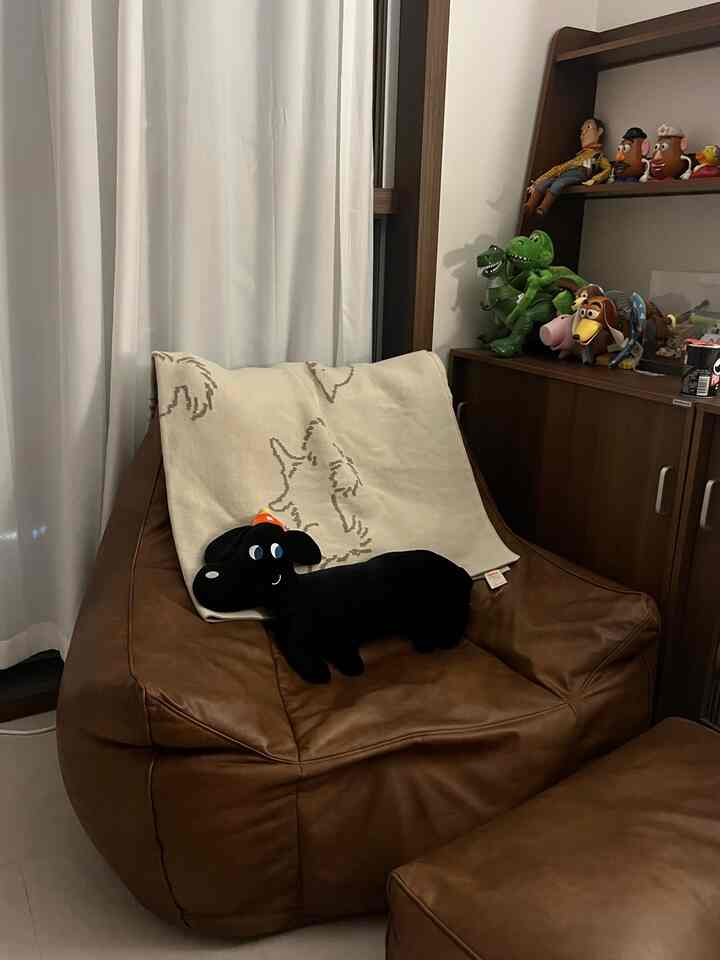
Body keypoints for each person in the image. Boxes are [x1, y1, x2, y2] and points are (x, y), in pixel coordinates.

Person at [525, 117, 611, 217]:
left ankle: (543, 208)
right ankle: (529, 206)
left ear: (599, 131)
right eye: (581, 131)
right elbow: (558, 169)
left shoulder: (598, 156)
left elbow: (607, 168)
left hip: (578, 175)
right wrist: (537, 182)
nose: (583, 134)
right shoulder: (577, 157)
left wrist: (594, 180)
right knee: (545, 183)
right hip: (565, 174)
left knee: (559, 183)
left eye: (588, 127)